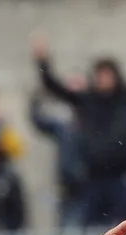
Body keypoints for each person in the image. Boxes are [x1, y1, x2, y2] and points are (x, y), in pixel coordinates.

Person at [32, 30, 126, 226]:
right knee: (93, 232)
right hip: (93, 179)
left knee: (122, 229)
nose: (104, 80)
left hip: (121, 177)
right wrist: (42, 61)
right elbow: (55, 87)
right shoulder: (86, 100)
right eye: (100, 75)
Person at [29, 79, 87, 226]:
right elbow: (39, 120)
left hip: (91, 186)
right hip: (67, 187)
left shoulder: (93, 122)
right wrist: (38, 96)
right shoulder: (64, 125)